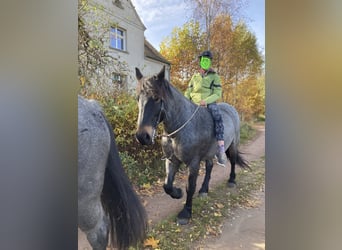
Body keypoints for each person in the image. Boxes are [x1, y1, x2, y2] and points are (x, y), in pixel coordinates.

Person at [184, 50, 228, 167]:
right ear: (200, 61)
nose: (205, 62)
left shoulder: (215, 76)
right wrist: (186, 102)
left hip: (208, 103)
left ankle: (221, 149)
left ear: (210, 62)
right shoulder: (195, 77)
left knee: (217, 117)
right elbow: (189, 91)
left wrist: (206, 101)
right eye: (203, 60)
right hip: (193, 103)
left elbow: (217, 93)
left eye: (207, 60)